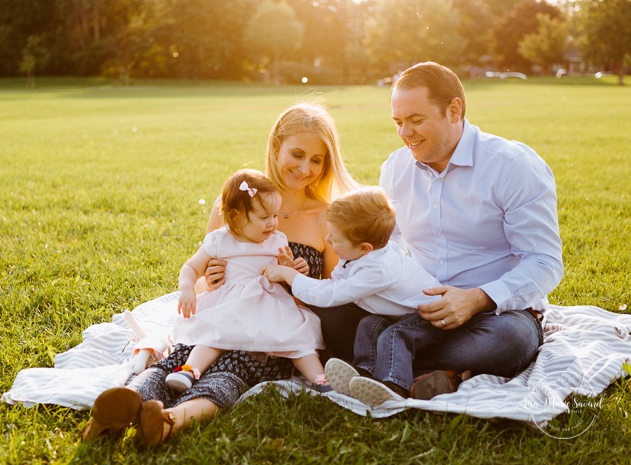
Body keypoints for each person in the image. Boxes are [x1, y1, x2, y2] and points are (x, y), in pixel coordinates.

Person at [83, 103, 359, 445]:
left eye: (316, 160)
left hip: (276, 329)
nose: (305, 168)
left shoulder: (326, 216)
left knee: (235, 367)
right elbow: (201, 275)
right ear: (276, 146)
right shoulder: (237, 201)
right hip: (225, 310)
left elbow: (332, 292)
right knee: (184, 355)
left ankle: (168, 421)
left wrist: (297, 278)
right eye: (297, 154)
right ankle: (123, 405)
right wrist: (208, 280)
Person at [313, 62, 564, 404]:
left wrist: (476, 298)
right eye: (398, 123)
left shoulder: (513, 166)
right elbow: (392, 242)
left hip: (493, 314)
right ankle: (428, 372)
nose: (405, 133)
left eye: (416, 120)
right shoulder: (396, 168)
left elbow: (544, 261)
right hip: (410, 306)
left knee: (509, 342)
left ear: (454, 110)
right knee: (329, 308)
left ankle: (383, 367)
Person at [263, 186, 441, 397]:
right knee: (369, 325)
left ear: (364, 247)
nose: (328, 240)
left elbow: (332, 294)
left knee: (394, 336)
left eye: (335, 238)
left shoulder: (379, 268)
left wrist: (288, 275)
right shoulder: (355, 257)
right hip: (402, 314)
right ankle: (363, 375)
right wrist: (297, 274)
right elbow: (333, 282)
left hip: (430, 316)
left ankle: (394, 386)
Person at [165, 169, 327, 392]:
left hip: (270, 304)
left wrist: (291, 267)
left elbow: (283, 270)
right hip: (231, 303)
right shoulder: (220, 240)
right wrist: (186, 289)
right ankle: (189, 370)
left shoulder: (277, 239)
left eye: (275, 215)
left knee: (297, 336)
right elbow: (192, 267)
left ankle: (320, 379)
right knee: (213, 334)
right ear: (236, 217)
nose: (273, 223)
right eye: (264, 217)